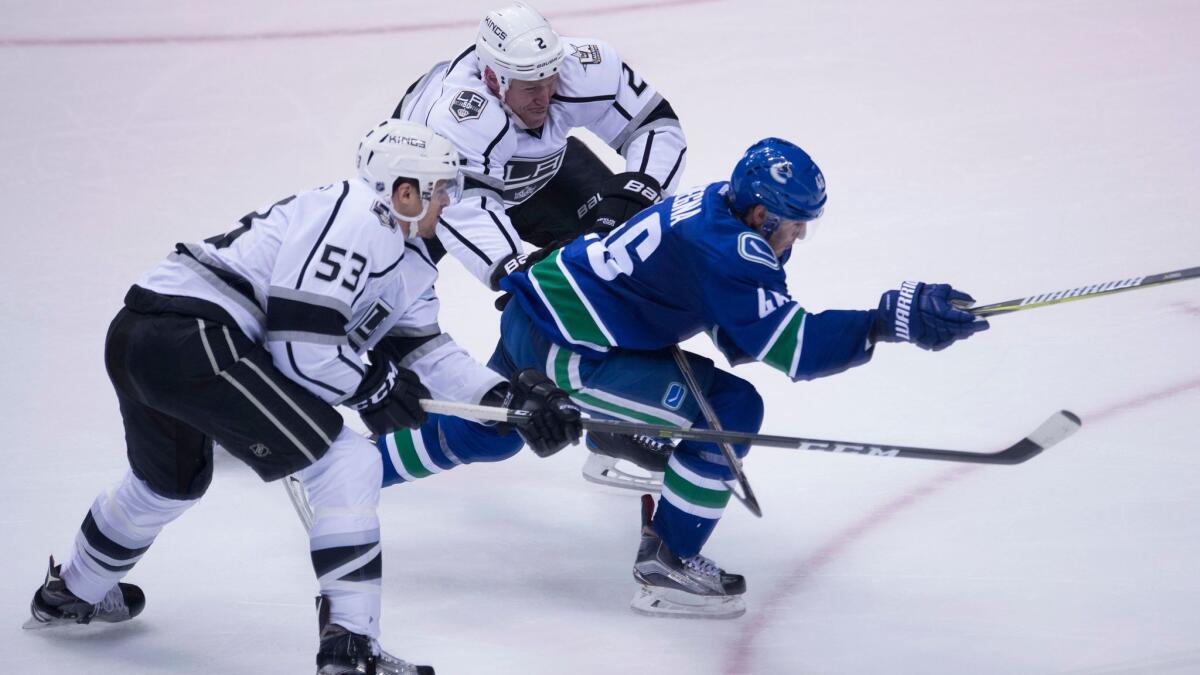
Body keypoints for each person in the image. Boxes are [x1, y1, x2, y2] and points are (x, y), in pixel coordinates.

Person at [24, 119, 581, 674]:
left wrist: (508, 400)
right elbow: (300, 346)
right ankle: (350, 651)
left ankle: (73, 590)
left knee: (168, 482)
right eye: (441, 190)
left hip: (143, 334)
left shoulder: (401, 257)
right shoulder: (362, 218)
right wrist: (371, 388)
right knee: (347, 463)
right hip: (195, 337)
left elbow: (427, 352)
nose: (448, 203)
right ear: (404, 190)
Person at [481, 137, 991, 618]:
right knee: (731, 412)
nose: (801, 235)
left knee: (474, 435)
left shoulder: (717, 208)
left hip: (536, 313)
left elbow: (738, 331)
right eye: (795, 223)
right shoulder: (732, 250)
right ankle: (667, 563)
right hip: (567, 350)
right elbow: (798, 351)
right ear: (762, 214)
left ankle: (611, 435)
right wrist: (886, 322)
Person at [392, 1, 687, 483]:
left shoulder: (582, 67)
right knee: (378, 302)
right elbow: (466, 209)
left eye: (551, 79)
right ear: (493, 78)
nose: (546, 95)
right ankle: (308, 413)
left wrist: (640, 190)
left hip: (542, 175)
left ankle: (612, 426)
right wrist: (515, 265)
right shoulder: (460, 114)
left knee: (617, 272)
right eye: (531, 86)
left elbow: (657, 126)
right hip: (431, 191)